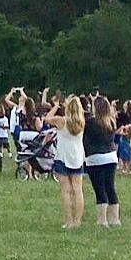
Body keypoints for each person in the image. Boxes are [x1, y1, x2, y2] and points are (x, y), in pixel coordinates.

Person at [46, 95, 86, 228]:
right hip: (77, 157)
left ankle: (68, 220)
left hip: (63, 156)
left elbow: (47, 119)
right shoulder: (81, 122)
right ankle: (77, 220)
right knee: (78, 189)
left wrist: (56, 106)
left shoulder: (61, 121)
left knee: (66, 189)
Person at [84, 96, 121, 226]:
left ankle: (102, 220)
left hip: (95, 158)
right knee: (110, 187)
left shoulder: (90, 122)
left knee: (100, 189)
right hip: (111, 156)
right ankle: (115, 219)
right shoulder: (111, 121)